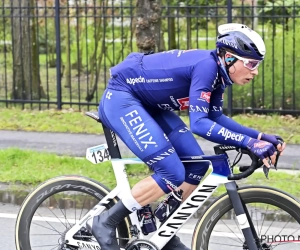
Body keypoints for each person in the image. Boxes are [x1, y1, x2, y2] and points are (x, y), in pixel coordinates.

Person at [87, 23, 286, 250]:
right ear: (230, 59)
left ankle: (161, 228)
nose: (255, 71)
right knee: (172, 171)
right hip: (122, 98)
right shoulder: (207, 67)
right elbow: (199, 124)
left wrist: (260, 136)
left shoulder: (219, 76)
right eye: (250, 63)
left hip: (148, 103)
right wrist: (249, 143)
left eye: (257, 64)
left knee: (197, 166)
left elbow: (215, 117)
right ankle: (106, 221)